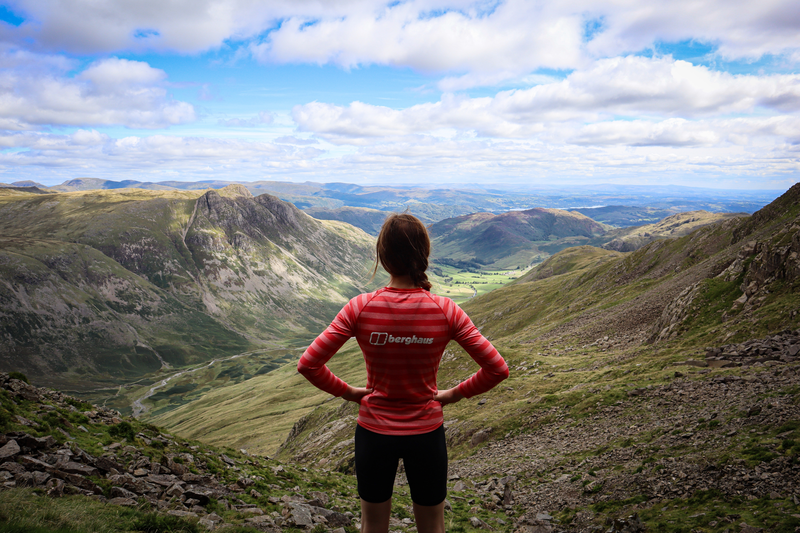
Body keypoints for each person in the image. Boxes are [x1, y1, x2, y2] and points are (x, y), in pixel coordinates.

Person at [297, 213, 509, 533]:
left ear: (382, 256)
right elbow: (497, 369)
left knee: (373, 527)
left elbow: (308, 364)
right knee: (432, 527)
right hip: (426, 434)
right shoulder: (445, 310)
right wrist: (452, 395)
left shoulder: (360, 307)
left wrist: (351, 393)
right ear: (424, 254)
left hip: (373, 434)